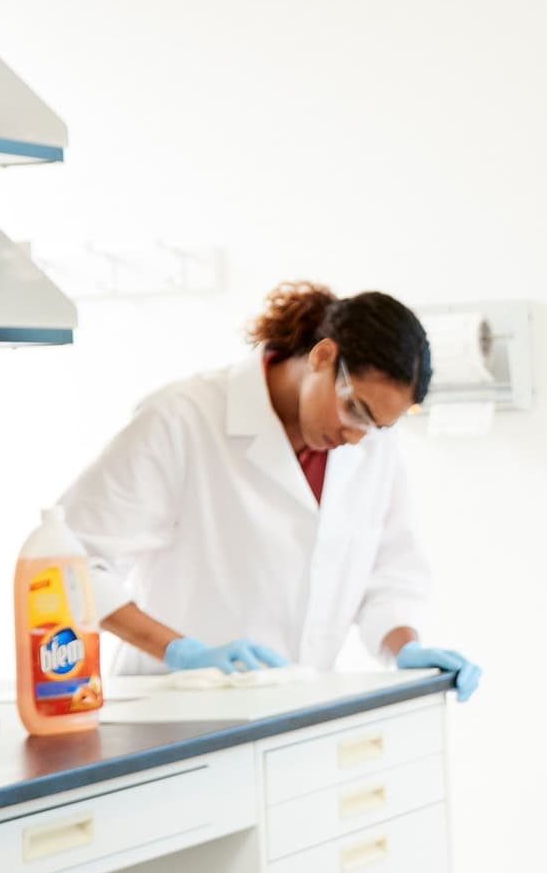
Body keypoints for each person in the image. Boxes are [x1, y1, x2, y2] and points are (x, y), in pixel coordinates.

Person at [56, 281, 479, 696]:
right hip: (177, 703)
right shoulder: (183, 417)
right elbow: (70, 562)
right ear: (323, 355)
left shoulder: (371, 447)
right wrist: (182, 652)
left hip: (295, 706)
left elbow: (389, 575)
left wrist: (405, 647)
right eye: (355, 409)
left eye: (377, 426)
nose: (357, 437)